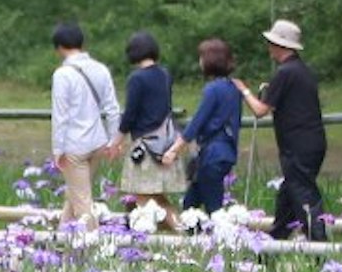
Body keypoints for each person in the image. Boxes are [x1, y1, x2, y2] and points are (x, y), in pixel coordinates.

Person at [47, 19, 122, 220]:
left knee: (82, 202)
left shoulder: (62, 74)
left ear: (59, 47)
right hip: (98, 142)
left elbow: (60, 115)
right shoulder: (100, 69)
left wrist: (58, 150)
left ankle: (93, 246)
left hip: (74, 146)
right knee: (75, 196)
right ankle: (61, 241)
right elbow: (113, 109)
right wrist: (114, 140)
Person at [259, 17, 326, 238]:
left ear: (280, 46)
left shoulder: (285, 73)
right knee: (287, 198)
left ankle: (320, 247)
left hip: (297, 146)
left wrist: (243, 91)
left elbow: (261, 109)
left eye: (272, 43)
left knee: (304, 195)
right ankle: (268, 251)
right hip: (311, 143)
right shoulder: (301, 71)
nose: (269, 48)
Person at [115, 30, 182, 207]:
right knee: (157, 195)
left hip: (145, 143)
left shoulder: (136, 78)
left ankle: (156, 230)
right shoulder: (164, 74)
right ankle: (179, 228)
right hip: (165, 141)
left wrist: (117, 140)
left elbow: (130, 113)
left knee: (143, 194)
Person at [181, 37, 246, 218]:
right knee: (191, 203)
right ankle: (195, 237)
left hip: (212, 154)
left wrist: (174, 149)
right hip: (226, 153)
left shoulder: (212, 90)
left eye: (201, 57)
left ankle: (221, 239)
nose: (200, 61)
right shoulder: (233, 88)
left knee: (213, 209)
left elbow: (197, 122)